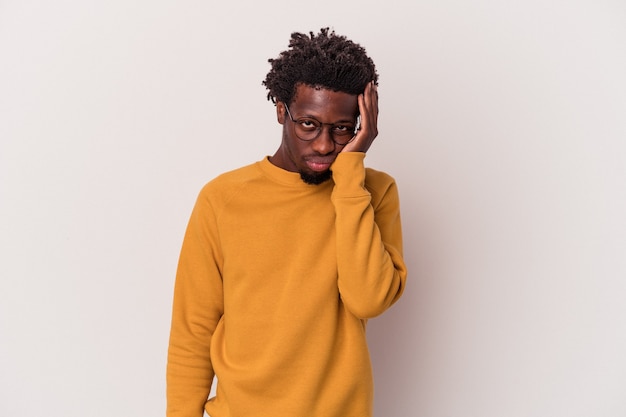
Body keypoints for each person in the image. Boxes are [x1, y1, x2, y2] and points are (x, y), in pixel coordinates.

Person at [166, 27, 407, 417]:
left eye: (343, 129)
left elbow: (369, 298)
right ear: (281, 110)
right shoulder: (223, 199)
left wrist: (350, 178)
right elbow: (192, 331)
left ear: (363, 125)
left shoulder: (372, 192)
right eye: (308, 124)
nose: (325, 145)